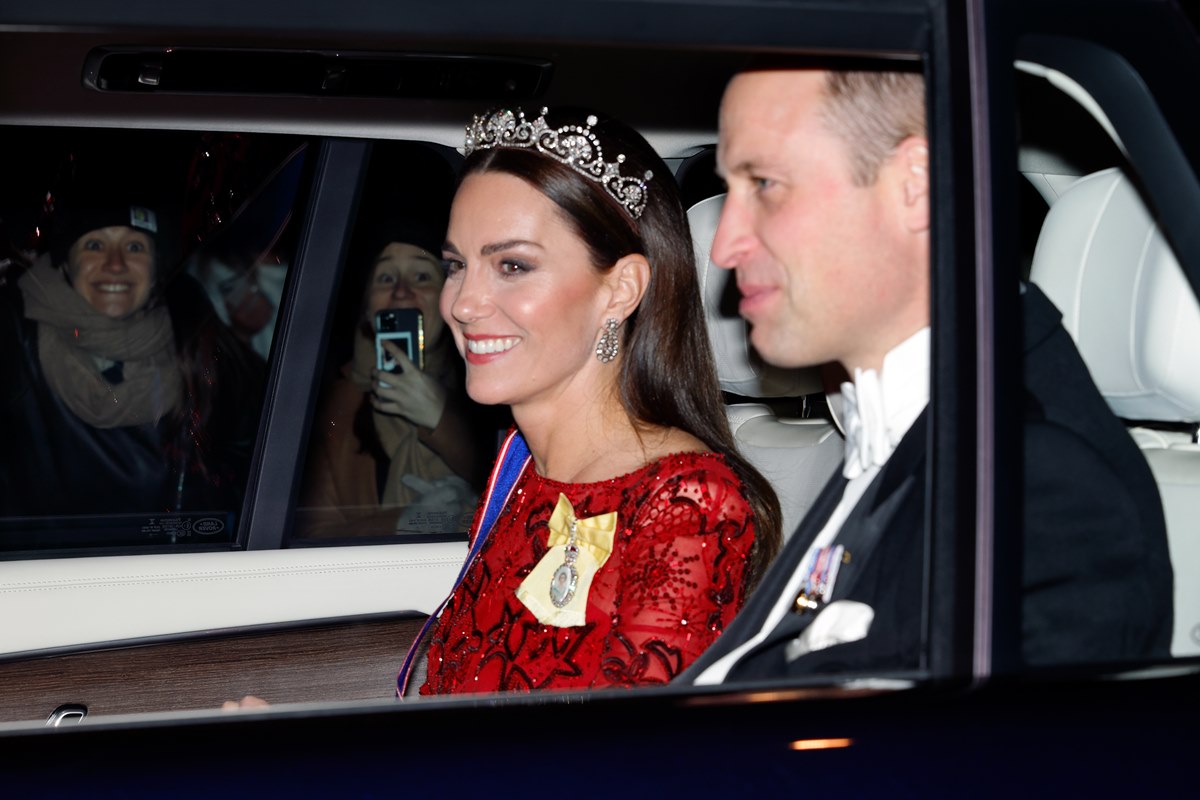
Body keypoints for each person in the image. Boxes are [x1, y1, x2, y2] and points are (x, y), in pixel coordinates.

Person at [683, 67, 1173, 684]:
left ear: (915, 185)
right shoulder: (905, 426)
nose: (723, 245)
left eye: (766, 184)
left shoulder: (1042, 488)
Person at [400, 106, 782, 696]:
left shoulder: (688, 505)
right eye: (456, 265)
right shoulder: (523, 471)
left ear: (620, 289)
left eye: (513, 265)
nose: (464, 302)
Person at [0, 187, 264, 522]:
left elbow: (257, 447)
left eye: (134, 246)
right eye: (94, 245)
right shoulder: (20, 331)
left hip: (170, 561)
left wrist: (203, 516)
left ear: (156, 264)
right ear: (67, 264)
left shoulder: (195, 333)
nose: (115, 264)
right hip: (48, 566)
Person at [297, 213, 489, 537]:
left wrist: (441, 417)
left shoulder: (491, 389)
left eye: (421, 276)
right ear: (367, 307)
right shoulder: (335, 405)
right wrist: (403, 523)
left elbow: (523, 492)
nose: (401, 292)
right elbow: (308, 537)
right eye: (386, 278)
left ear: (450, 297)